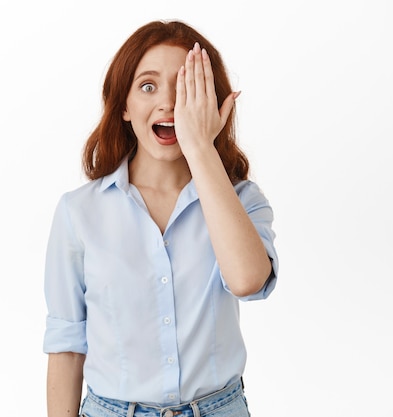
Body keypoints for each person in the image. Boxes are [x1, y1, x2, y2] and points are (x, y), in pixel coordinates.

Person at [43, 20, 278, 417]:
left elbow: (247, 282)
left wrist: (201, 145)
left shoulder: (242, 200)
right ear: (124, 106)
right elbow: (67, 342)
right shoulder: (78, 212)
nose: (169, 103)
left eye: (187, 88)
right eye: (148, 86)